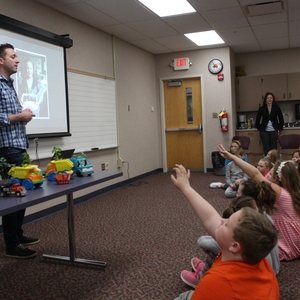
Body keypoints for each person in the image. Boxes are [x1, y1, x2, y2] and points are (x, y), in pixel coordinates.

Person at [171, 164, 279, 300]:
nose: (221, 220)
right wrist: (185, 187)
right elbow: (210, 217)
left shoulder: (215, 281)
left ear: (234, 246)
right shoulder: (258, 260)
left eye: (227, 223)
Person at [218, 142, 300, 261]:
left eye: (270, 174)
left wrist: (233, 157)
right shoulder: (293, 191)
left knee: (235, 244)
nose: (267, 177)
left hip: (287, 247)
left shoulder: (281, 193)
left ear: (277, 179)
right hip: (296, 243)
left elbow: (255, 174)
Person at [0, 43, 39, 258]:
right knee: (12, 197)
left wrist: (23, 114)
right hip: (6, 149)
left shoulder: (9, 85)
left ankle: (17, 234)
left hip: (18, 146)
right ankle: (12, 244)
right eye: (13, 56)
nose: (17, 60)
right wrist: (19, 117)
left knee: (21, 195)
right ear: (1, 60)